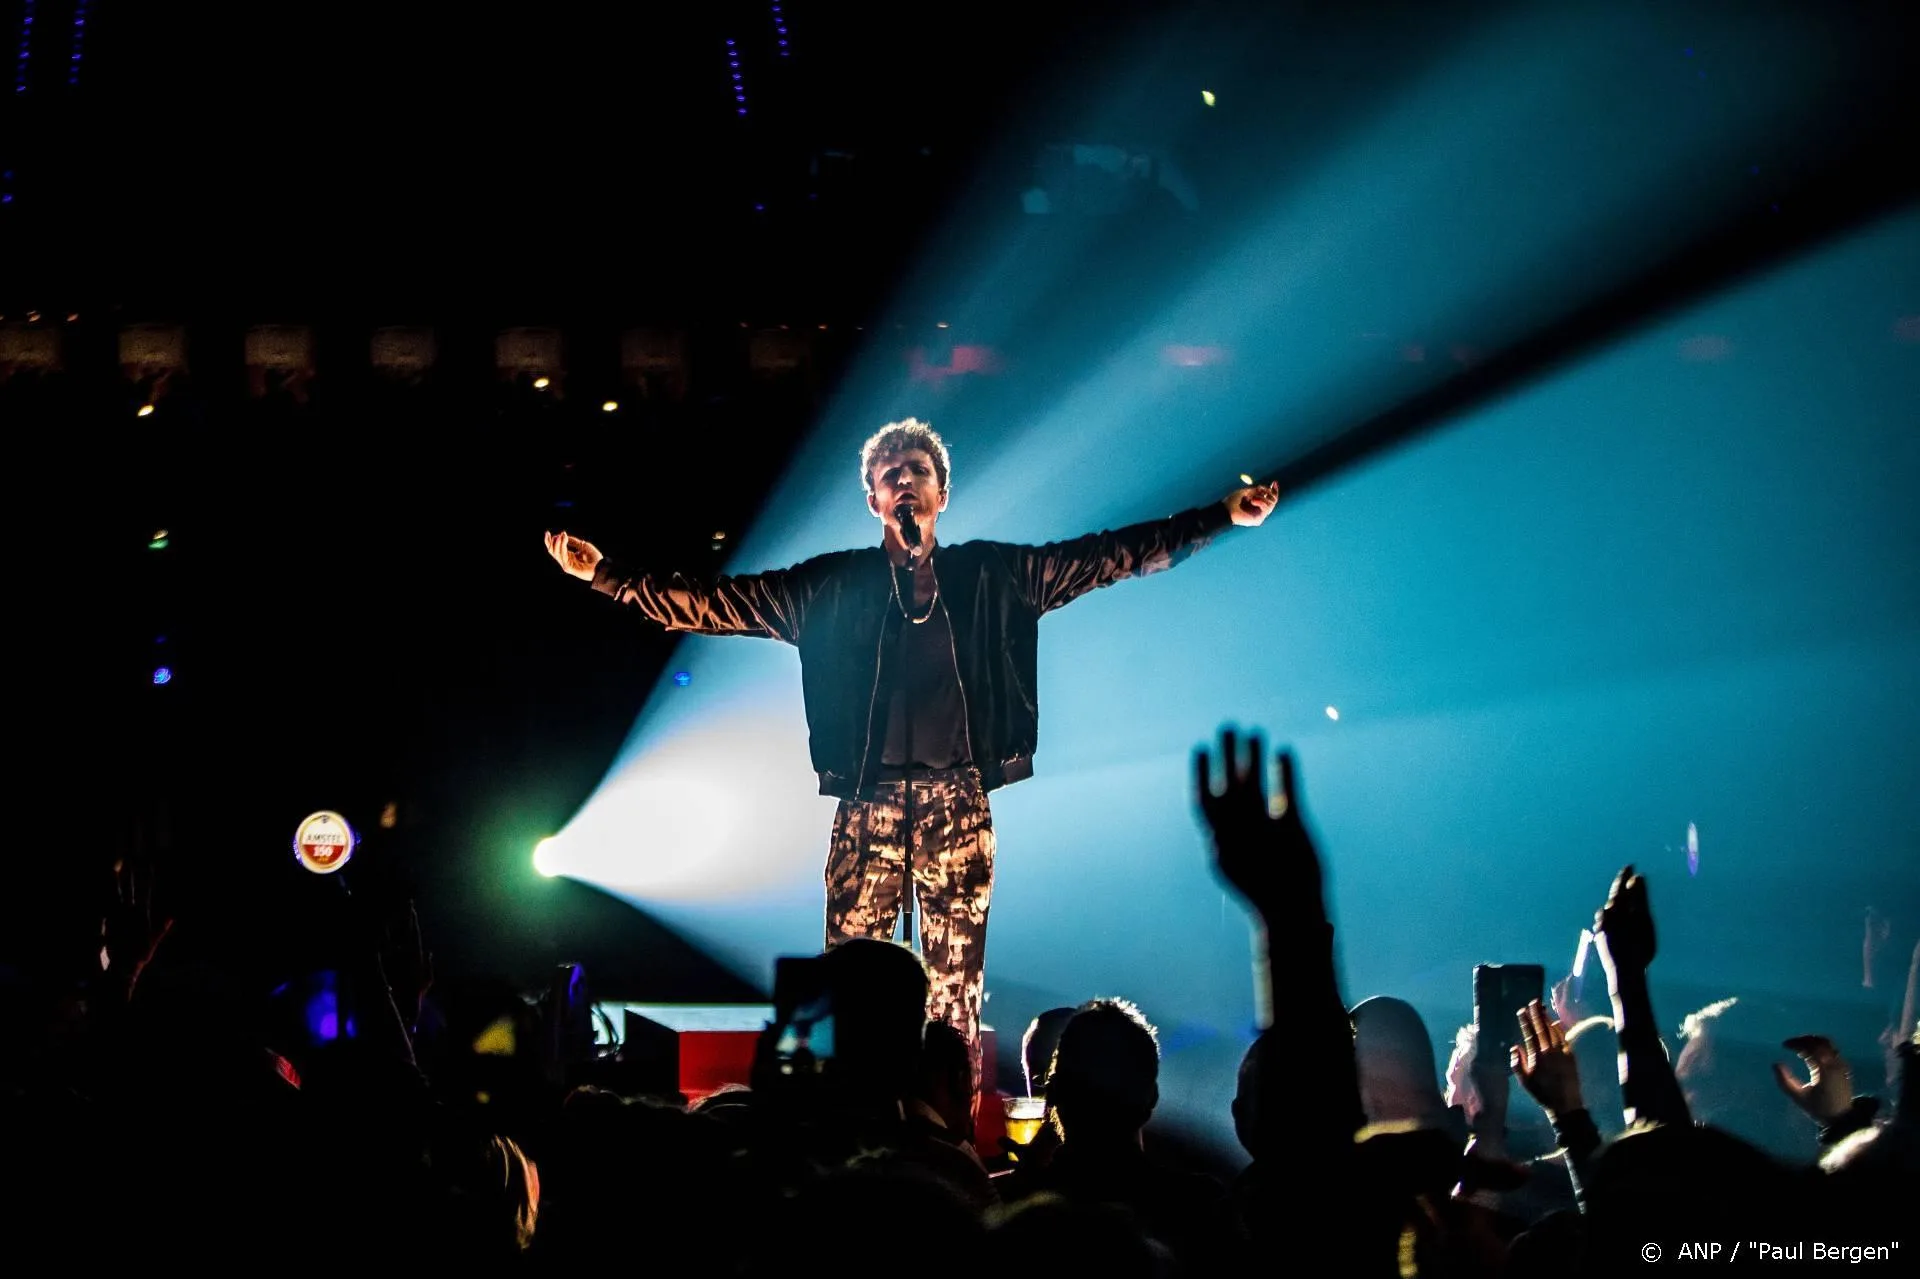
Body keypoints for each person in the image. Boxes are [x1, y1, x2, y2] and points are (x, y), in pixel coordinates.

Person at [544, 418, 1278, 1064]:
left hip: (957, 802)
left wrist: (1219, 517)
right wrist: (607, 575)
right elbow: (712, 603)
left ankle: (945, 1125)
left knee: (953, 995)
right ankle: (843, 1127)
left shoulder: (996, 575)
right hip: (866, 803)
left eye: (917, 470)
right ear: (873, 500)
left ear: (940, 494)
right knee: (848, 983)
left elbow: (1112, 554)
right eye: (889, 473)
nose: (903, 480)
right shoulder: (829, 587)